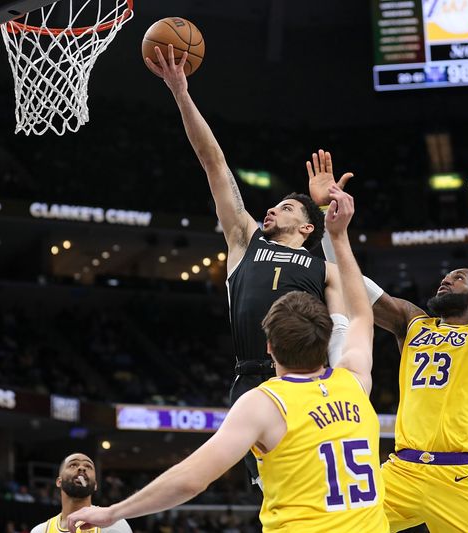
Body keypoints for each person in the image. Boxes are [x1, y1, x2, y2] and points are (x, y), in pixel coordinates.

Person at [67, 186, 388, 532]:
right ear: (324, 338)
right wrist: (338, 237)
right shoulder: (355, 381)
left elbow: (191, 479)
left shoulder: (265, 403)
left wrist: (112, 512)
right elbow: (359, 316)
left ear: (269, 347)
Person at [144, 44, 346, 487]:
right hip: (252, 380)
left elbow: (351, 316)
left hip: (310, 382)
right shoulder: (244, 239)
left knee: (315, 488)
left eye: (286, 208)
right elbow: (213, 162)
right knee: (274, 490)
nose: (271, 210)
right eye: (271, 206)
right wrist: (180, 92)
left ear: (307, 228)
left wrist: (332, 217)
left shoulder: (323, 268)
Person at [310, 160, 468, 532]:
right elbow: (349, 280)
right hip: (401, 471)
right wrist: (328, 216)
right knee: (335, 525)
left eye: (457, 278)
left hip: (456, 476)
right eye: (445, 277)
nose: (445, 280)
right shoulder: (412, 321)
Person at [30, 453, 130, 533]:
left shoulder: (112, 523)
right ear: (59, 482)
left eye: (88, 466)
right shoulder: (40, 531)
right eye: (73, 465)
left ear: (95, 485)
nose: (82, 468)